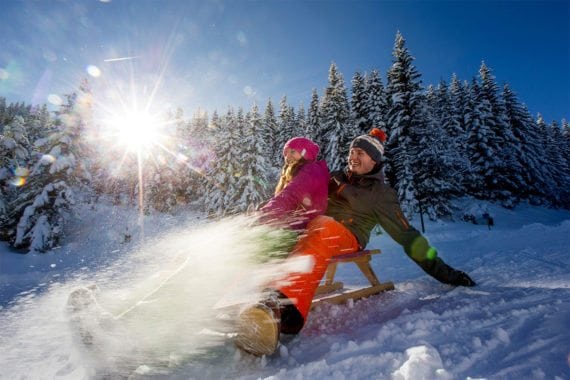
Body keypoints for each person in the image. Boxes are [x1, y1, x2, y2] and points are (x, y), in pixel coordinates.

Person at [236, 128, 476, 356]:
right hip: (316, 230)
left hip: (349, 235)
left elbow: (409, 237)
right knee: (287, 236)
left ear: (374, 159)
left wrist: (448, 274)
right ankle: (262, 303)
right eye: (351, 152)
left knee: (323, 227)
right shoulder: (336, 178)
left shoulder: (381, 194)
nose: (353, 157)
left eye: (360, 153)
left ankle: (284, 311)